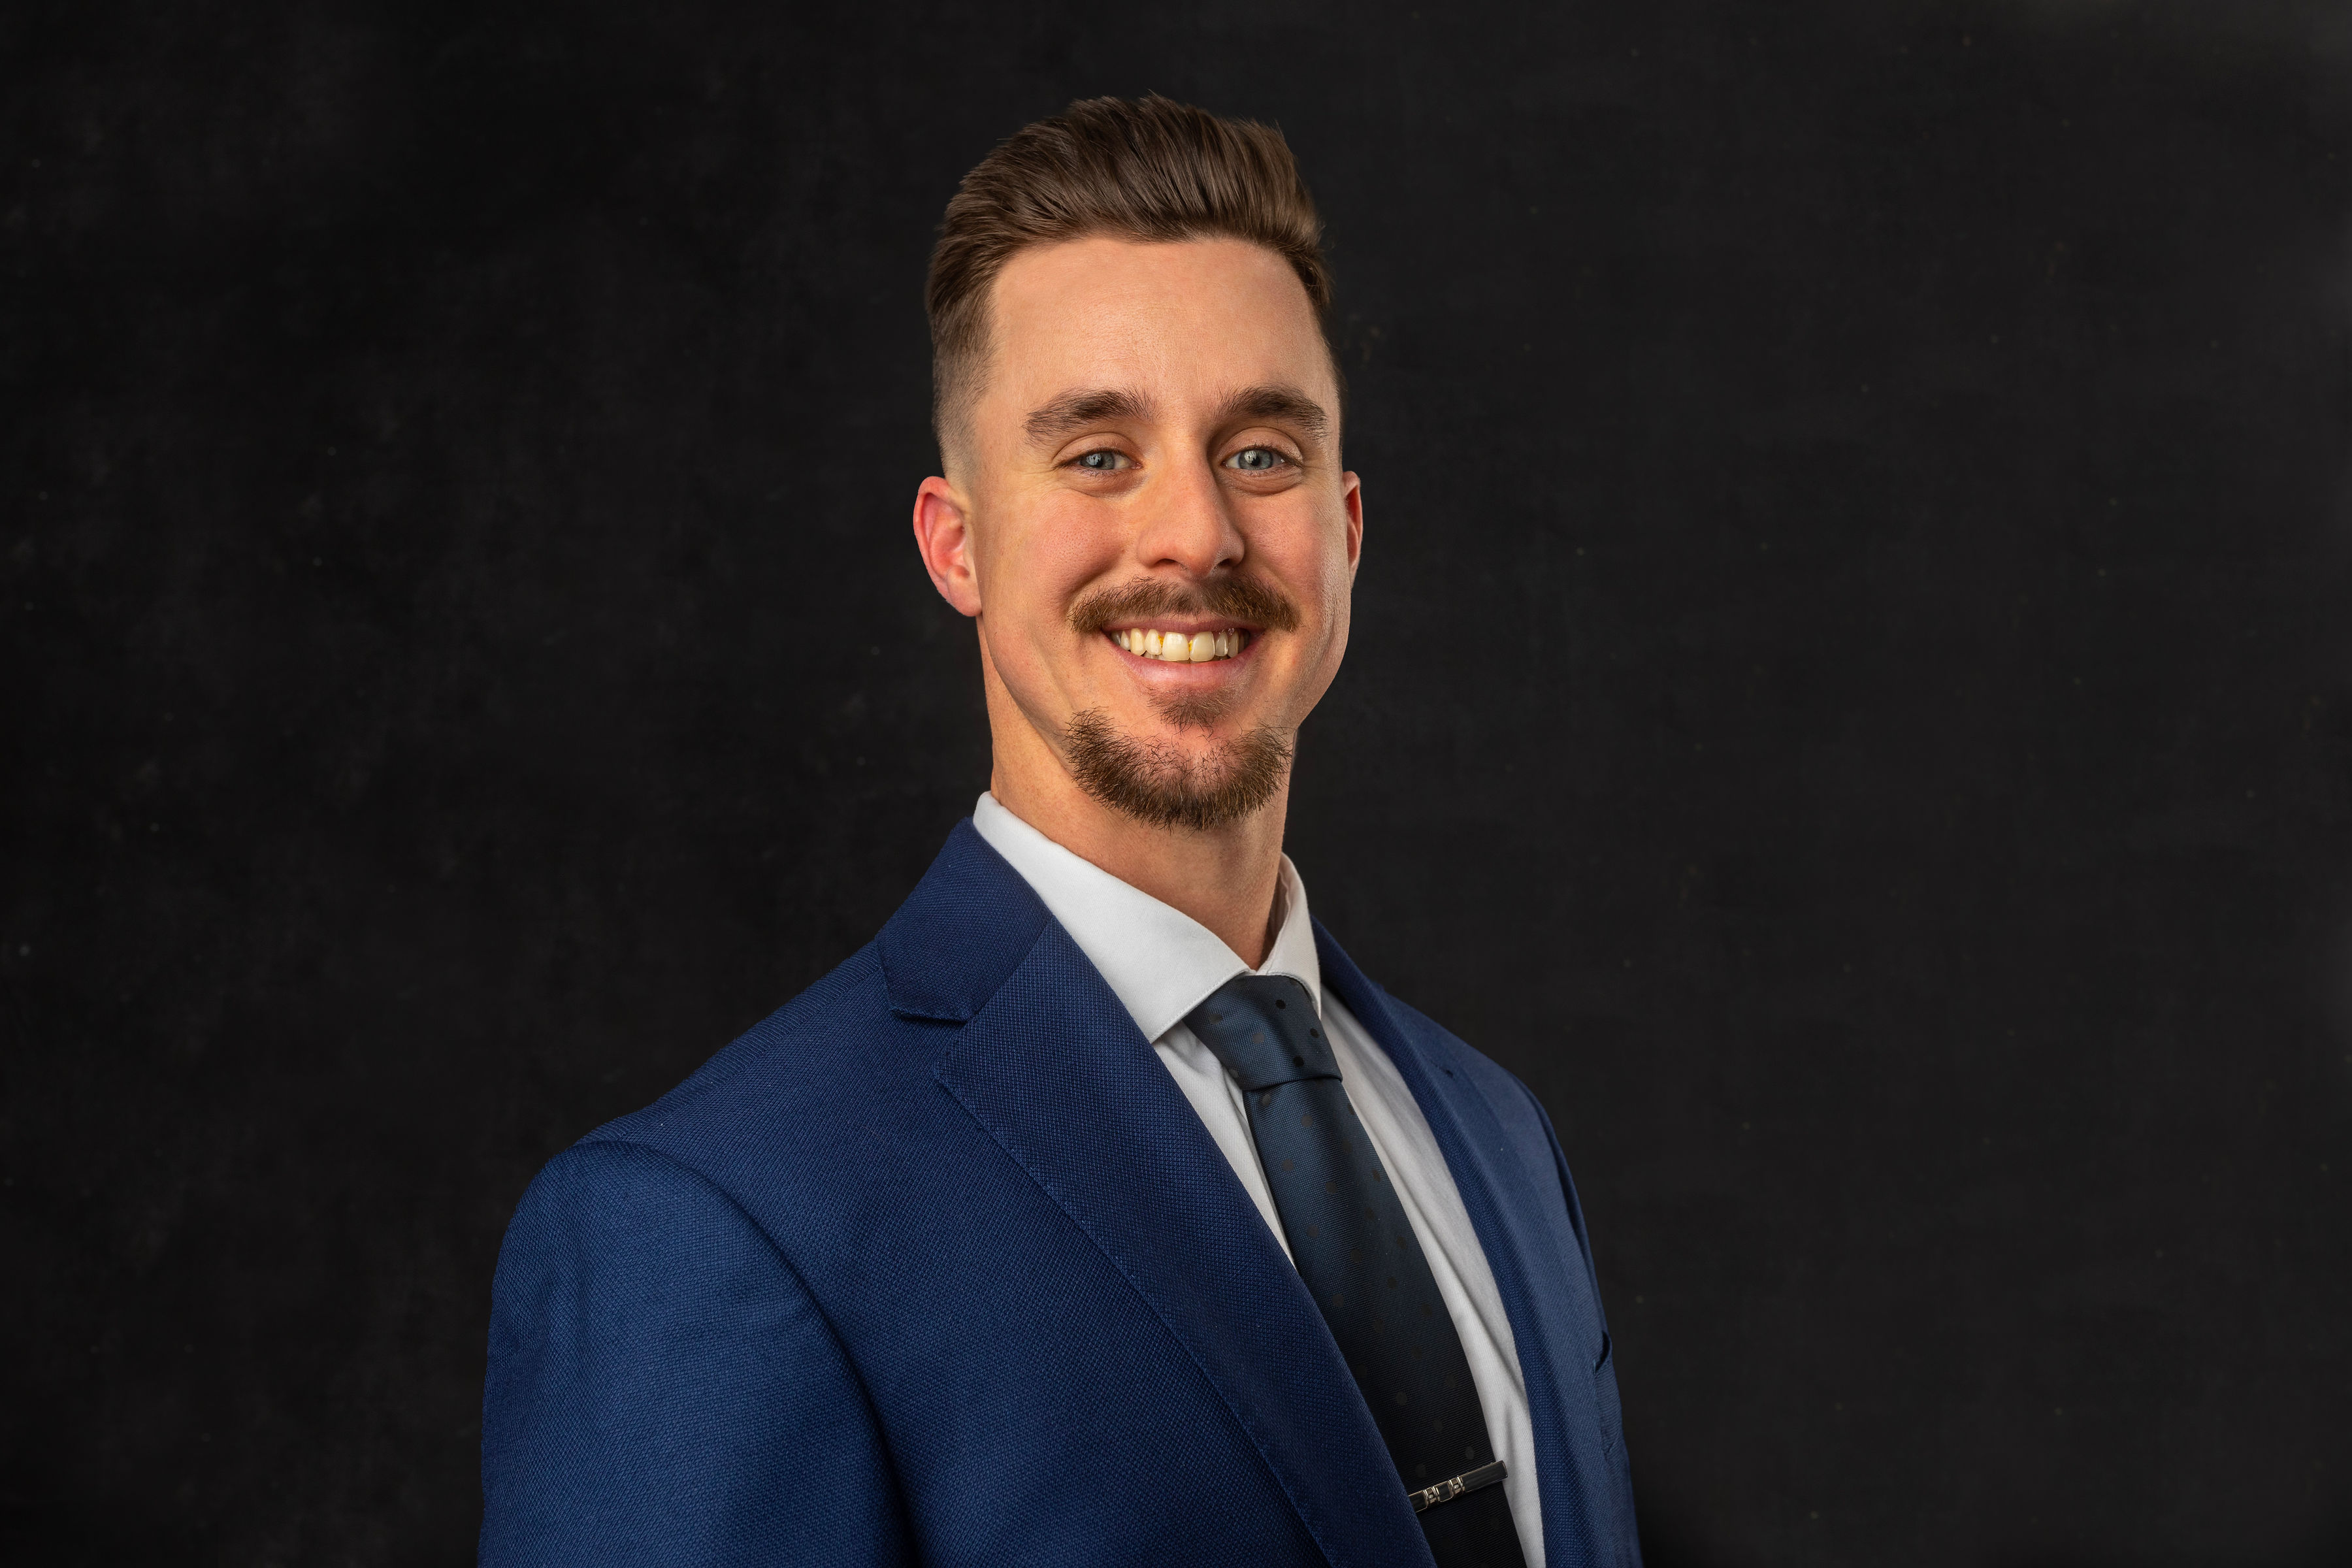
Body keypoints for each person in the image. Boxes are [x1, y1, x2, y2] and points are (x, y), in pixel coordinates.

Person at [478, 95, 1638, 1568]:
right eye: (1098, 454)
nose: (1197, 534)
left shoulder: (1497, 1136)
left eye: (1260, 453)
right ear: (956, 544)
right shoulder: (712, 1227)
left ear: (1347, 531)